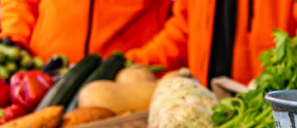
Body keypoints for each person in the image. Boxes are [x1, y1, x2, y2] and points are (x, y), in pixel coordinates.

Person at [126, 0, 297, 87]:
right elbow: (183, 29)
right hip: (210, 109)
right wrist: (135, 63)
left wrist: (273, 83)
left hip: (262, 112)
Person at [0, 0, 173, 63]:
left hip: (122, 90)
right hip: (37, 79)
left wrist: (137, 63)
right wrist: (14, 38)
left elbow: (183, 24)